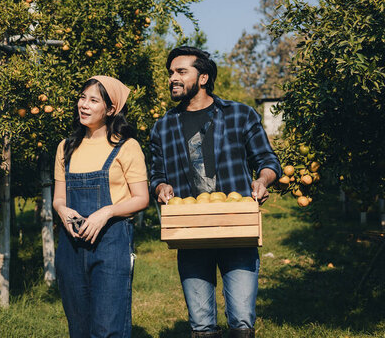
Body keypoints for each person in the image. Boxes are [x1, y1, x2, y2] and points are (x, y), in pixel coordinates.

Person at [150, 46, 281, 338]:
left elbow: (268, 160)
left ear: (204, 77)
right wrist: (160, 187)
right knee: (201, 326)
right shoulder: (162, 126)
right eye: (171, 72)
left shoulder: (240, 115)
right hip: (190, 231)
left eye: (181, 71)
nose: (173, 77)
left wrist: (263, 180)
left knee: (242, 323)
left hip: (237, 228)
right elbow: (156, 174)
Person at [53, 75, 149, 338]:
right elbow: (58, 198)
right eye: (82, 97)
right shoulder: (66, 148)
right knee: (79, 328)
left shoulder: (127, 147)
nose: (84, 105)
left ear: (110, 110)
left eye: (93, 100)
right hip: (71, 247)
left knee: (108, 328)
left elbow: (141, 198)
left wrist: (106, 212)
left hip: (111, 243)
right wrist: (62, 210)